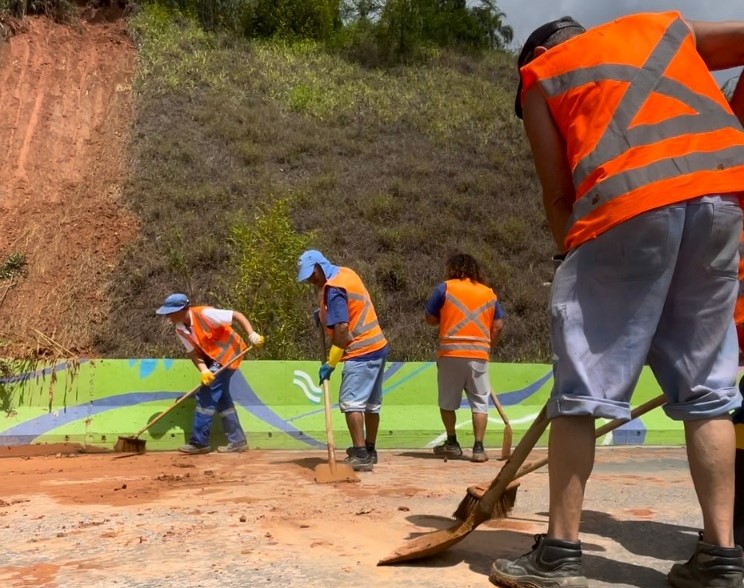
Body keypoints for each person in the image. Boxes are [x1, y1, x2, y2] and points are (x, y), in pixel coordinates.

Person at [489, 13, 744, 588]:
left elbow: (559, 194)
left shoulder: (542, 76)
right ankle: (721, 558)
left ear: (535, 55)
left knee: (582, 389)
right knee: (708, 391)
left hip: (627, 207)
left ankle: (559, 555)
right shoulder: (664, 27)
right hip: (723, 197)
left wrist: (572, 253)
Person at [297, 250, 389, 472]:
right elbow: (349, 308)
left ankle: (360, 455)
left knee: (351, 404)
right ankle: (369, 449)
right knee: (371, 405)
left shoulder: (334, 289)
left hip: (360, 351)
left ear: (319, 267)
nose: (310, 281)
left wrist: (331, 363)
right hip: (377, 346)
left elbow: (342, 329)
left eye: (311, 275)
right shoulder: (346, 273)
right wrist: (323, 313)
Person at [155, 293, 265, 455]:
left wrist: (251, 334)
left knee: (206, 395)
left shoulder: (205, 314)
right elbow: (193, 353)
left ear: (182, 309)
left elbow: (237, 315)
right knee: (222, 400)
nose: (168, 317)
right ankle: (237, 441)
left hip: (229, 354)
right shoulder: (180, 329)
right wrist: (204, 370)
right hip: (211, 360)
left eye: (170, 313)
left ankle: (199, 442)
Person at [424, 253, 504, 463]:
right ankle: (478, 448)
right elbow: (498, 325)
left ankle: (452, 442)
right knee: (480, 402)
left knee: (447, 402)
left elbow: (430, 318)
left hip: (450, 353)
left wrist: (448, 317)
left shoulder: (445, 288)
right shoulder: (489, 294)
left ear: (453, 268)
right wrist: (487, 347)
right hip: (478, 355)